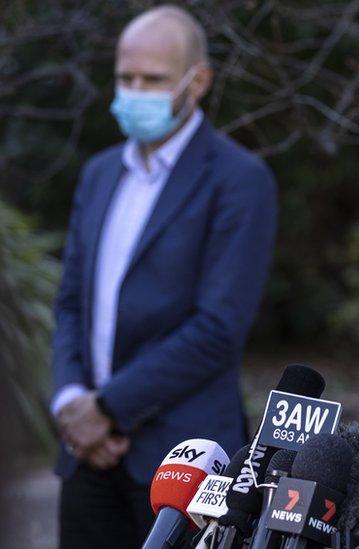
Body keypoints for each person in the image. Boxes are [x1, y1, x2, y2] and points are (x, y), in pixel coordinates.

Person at [50, 5, 277, 548]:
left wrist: (105, 410)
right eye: (124, 78)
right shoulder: (100, 172)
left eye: (151, 80)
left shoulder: (240, 180)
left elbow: (218, 328)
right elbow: (70, 305)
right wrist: (69, 402)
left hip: (189, 461)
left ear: (197, 82)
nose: (133, 92)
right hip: (85, 460)